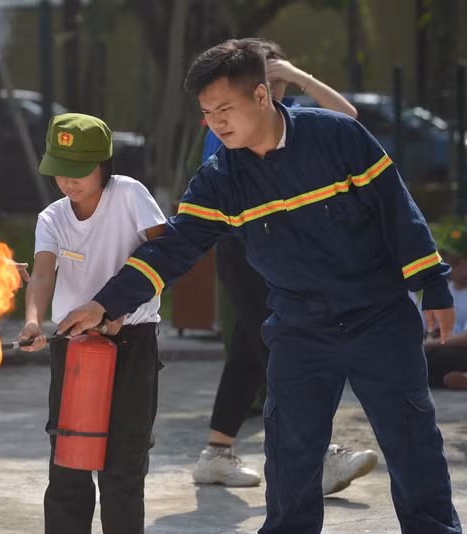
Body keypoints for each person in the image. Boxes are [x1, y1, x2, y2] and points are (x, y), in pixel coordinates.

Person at [58, 39, 462, 534]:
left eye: (225, 108)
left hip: (379, 316)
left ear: (262, 96)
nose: (216, 122)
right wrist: (105, 303)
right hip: (299, 328)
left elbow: (398, 212)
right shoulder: (220, 179)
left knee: (411, 441)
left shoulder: (338, 138)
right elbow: (174, 248)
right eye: (207, 112)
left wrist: (434, 287)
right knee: (290, 454)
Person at [194, 38, 377, 495]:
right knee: (284, 349)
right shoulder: (228, 120)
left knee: (250, 349)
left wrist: (298, 76)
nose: (269, 90)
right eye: (264, 81)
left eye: (275, 82)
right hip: (244, 246)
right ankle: (315, 457)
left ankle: (216, 454)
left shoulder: (292, 116)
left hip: (282, 249)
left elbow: (349, 120)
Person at [17, 113, 166, 534]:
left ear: (105, 163)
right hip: (74, 346)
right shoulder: (52, 217)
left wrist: (120, 308)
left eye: (79, 170)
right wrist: (33, 322)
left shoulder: (130, 195)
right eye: (60, 171)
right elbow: (44, 273)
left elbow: (167, 254)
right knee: (68, 462)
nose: (69, 181)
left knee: (122, 465)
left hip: (132, 342)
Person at [420, 223, 467, 390]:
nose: (447, 265)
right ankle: (453, 379)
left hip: (458, 350)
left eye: (454, 261)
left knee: (429, 357)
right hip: (446, 348)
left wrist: (433, 343)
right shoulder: (443, 290)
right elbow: (425, 327)